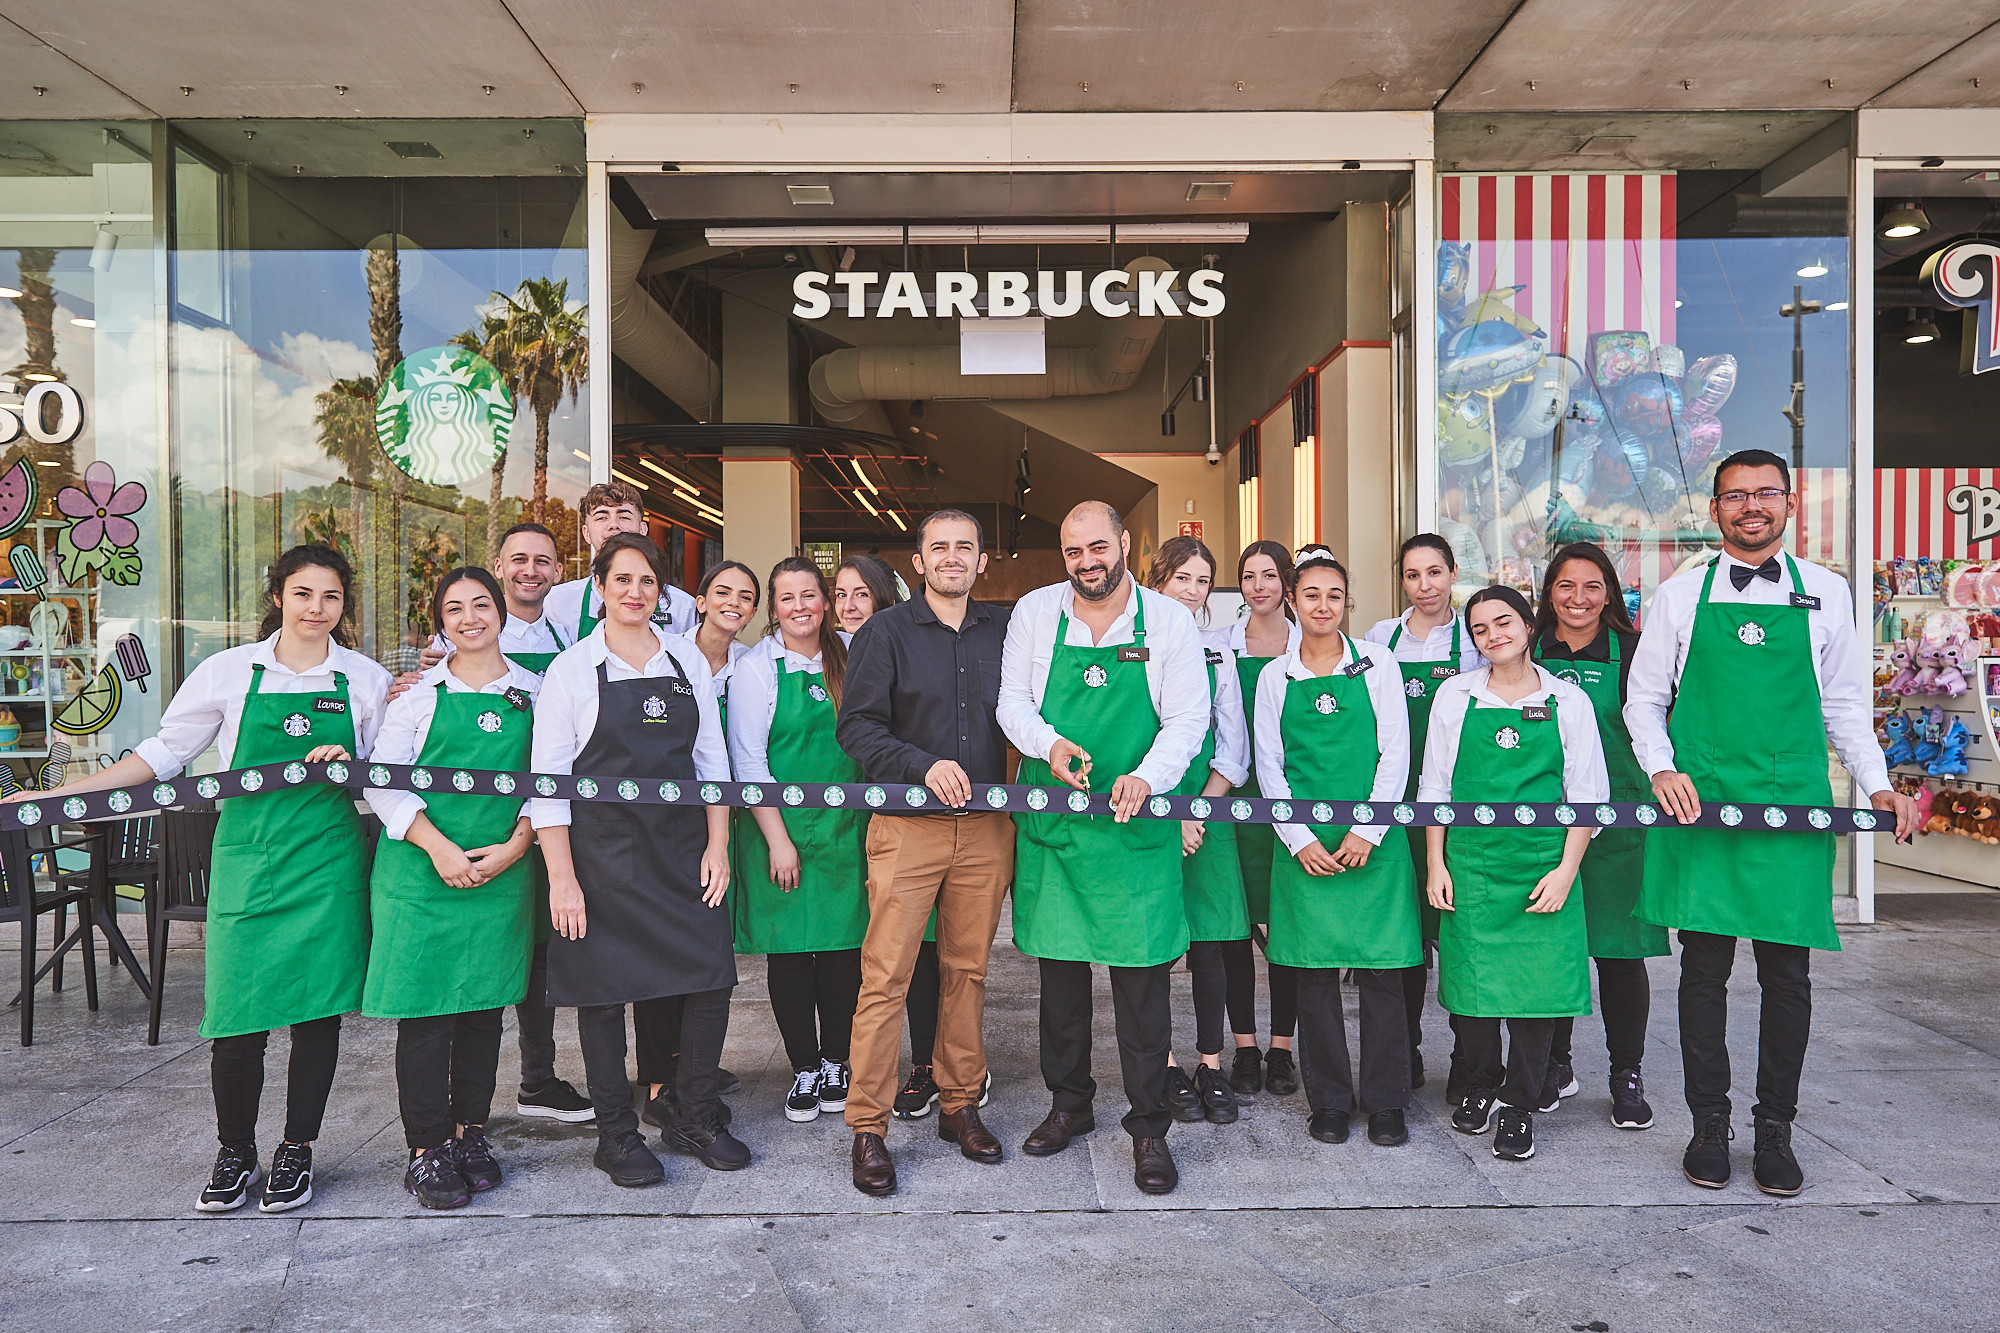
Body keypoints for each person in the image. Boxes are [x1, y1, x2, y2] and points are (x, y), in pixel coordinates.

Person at [12, 544, 389, 1214]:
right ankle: (235, 1150)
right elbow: (161, 756)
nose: (316, 609)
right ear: (280, 596)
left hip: (328, 858)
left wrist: (351, 762)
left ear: (343, 603)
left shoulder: (364, 678)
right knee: (237, 1016)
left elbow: (389, 767)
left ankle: (296, 1148)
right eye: (303, 593)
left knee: (318, 1012)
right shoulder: (227, 671)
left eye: (330, 596)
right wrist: (62, 794)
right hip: (247, 857)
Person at [1625, 449, 1916, 1195]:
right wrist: (1662, 767)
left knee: (1788, 974)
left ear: (1788, 503)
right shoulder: (1680, 597)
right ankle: (1709, 1125)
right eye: (1735, 495)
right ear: (1714, 507)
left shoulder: (1826, 592)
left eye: (1765, 493)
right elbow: (1644, 699)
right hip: (1706, 802)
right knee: (1704, 970)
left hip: (1791, 802)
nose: (1751, 506)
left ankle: (1776, 1129)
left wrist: (1877, 783)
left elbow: (1844, 704)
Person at [998, 501, 1206, 1195]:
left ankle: (1148, 1127)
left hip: (1132, 829)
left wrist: (1148, 777)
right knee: (1059, 985)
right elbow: (1013, 705)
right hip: (1058, 830)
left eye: (1097, 546)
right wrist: (1048, 744)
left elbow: (1186, 717)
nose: (1086, 561)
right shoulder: (1034, 613)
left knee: (1142, 988)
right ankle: (1070, 1105)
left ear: (1124, 543)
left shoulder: (1169, 622)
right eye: (1072, 550)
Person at [532, 533, 747, 1187]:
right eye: (622, 579)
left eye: (647, 581)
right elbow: (549, 783)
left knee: (711, 979)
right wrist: (562, 879)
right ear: (599, 588)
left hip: (683, 850)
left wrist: (718, 845)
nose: (634, 591)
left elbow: (713, 762)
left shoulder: (686, 660)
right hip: (602, 859)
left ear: (662, 592)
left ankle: (693, 1112)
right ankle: (616, 1134)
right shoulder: (572, 670)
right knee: (603, 997)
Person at [836, 510, 1013, 1196]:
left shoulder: (1005, 630)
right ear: (919, 561)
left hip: (987, 826)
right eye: (939, 547)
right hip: (909, 823)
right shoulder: (882, 633)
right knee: (887, 975)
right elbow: (857, 727)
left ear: (980, 560)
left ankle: (959, 1103)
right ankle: (869, 1126)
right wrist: (920, 764)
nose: (951, 557)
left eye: (964, 546)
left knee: (967, 970)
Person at [362, 567, 540, 1209]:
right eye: (456, 608)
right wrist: (439, 848)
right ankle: (426, 1148)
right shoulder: (417, 697)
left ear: (501, 612)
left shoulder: (535, 693)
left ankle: (473, 1135)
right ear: (441, 621)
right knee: (427, 1013)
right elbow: (383, 781)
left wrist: (516, 847)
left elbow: (548, 778)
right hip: (420, 873)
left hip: (501, 870)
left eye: (482, 604)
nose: (471, 618)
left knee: (483, 1010)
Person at [414, 522, 595, 1126]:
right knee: (499, 958)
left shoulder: (567, 643)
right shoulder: (453, 651)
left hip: (542, 825)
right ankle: (518, 1085)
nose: (531, 570)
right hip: (465, 835)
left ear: (558, 571)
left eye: (544, 561)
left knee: (540, 952)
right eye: (518, 560)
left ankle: (537, 1077)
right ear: (498, 566)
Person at [1420, 586, 1606, 1163]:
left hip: (1542, 867)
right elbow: (1436, 789)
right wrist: (1436, 864)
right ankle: (1480, 1087)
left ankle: (1521, 1105)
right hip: (1472, 865)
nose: (1492, 635)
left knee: (1536, 995)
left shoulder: (1568, 701)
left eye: (1503, 622)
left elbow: (1588, 797)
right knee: (1472, 993)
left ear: (1529, 626)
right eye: (1479, 629)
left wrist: (1566, 872)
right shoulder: (1455, 697)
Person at [1256, 546, 1417, 1147]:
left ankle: (1386, 1102)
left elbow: (1394, 751)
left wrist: (1366, 829)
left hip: (1371, 844)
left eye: (1334, 595)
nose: (1323, 605)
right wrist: (1298, 839)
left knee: (1383, 978)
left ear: (1348, 604)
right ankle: (1326, 1100)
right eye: (1311, 595)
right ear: (1294, 602)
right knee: (1313, 978)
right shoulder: (1276, 676)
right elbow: (1269, 765)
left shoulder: (1377, 664)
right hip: (1303, 845)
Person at [1531, 542, 1667, 1129]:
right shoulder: (1529, 649)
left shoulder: (1635, 653)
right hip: (1542, 825)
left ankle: (1626, 1074)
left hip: (1619, 826)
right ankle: (1554, 1065)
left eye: (1591, 587)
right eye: (1566, 586)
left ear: (1609, 593)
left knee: (1619, 955)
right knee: (1551, 948)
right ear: (1549, 593)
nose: (1578, 599)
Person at [728, 557, 867, 1124]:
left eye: (810, 595)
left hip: (845, 830)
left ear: (826, 601)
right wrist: (779, 840)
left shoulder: (854, 656)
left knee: (841, 952)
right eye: (787, 598)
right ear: (773, 609)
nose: (801, 607)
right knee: (789, 955)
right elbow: (749, 760)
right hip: (776, 831)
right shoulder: (757, 669)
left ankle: (837, 1062)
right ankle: (804, 1068)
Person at [630, 558, 760, 1132]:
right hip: (652, 825)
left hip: (716, 820)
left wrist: (720, 836)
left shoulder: (754, 667)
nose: (735, 602)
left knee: (704, 953)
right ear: (699, 601)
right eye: (723, 591)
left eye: (747, 596)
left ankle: (692, 1072)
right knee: (657, 952)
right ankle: (659, 1077)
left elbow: (720, 754)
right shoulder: (665, 654)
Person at [832, 554, 959, 1122]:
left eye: (861, 593)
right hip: (871, 819)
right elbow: (858, 727)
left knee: (943, 960)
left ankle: (941, 1075)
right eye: (841, 594)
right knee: (880, 965)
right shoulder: (853, 647)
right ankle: (863, 1108)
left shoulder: (922, 638)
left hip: (942, 819)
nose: (849, 604)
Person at [1366, 533, 1486, 1098]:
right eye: (1413, 575)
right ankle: (1406, 1049)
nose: (1425, 586)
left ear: (1452, 573)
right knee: (1404, 934)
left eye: (1434, 573)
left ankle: (1469, 1055)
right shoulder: (1379, 640)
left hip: (1458, 804)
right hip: (1394, 808)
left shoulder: (1476, 639)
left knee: (1459, 933)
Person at [1143, 535, 1249, 1127]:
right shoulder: (1134, 649)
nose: (1191, 591)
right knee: (1153, 945)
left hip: (1208, 816)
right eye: (1180, 578)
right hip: (1146, 813)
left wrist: (1198, 812)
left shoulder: (1219, 656)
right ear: (1157, 583)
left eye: (1202, 581)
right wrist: (1167, 810)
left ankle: (1211, 1063)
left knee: (1211, 944)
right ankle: (1164, 1062)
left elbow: (1233, 750)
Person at [1217, 540, 1302, 1098]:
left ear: (1286, 583)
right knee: (1234, 928)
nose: (1259, 586)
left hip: (1292, 802)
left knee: (1288, 928)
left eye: (1269, 576)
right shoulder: (1221, 645)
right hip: (1232, 801)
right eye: (1249, 577)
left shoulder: (1312, 645)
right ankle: (1245, 1046)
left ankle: (1282, 1047)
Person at [542, 480, 698, 643]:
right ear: (586, 533)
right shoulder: (556, 604)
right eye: (602, 517)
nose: (613, 525)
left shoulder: (682, 607)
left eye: (624, 516)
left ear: (643, 529)